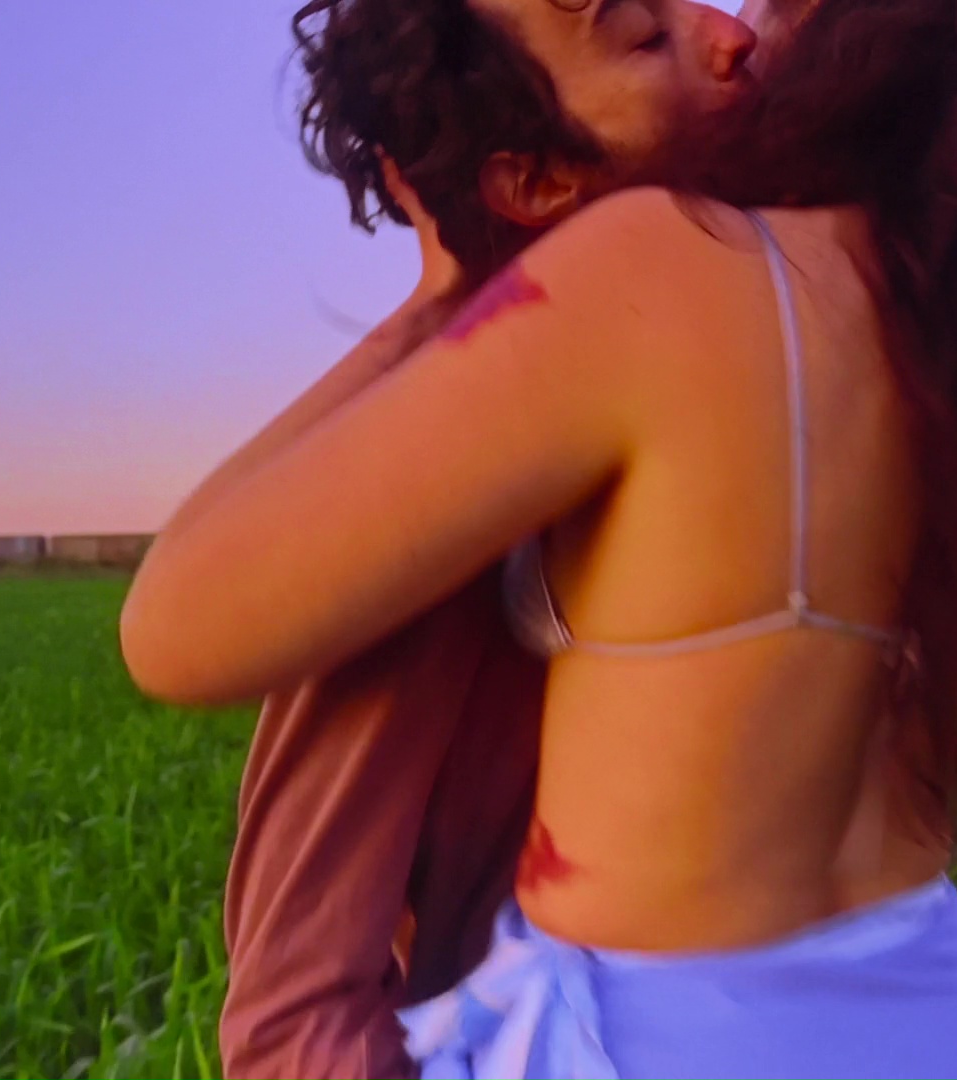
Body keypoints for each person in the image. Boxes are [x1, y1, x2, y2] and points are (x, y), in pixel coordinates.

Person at [126, 0, 957, 1074]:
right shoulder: (954, 322)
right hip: (933, 1004)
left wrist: (439, 304)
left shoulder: (660, 264)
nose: (732, 32)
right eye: (649, 35)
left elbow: (174, 626)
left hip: (672, 1036)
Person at [214, 2, 760, 1076]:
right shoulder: (442, 496)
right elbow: (294, 1012)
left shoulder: (758, 369)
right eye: (646, 39)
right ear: (540, 182)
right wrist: (440, 305)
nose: (730, 33)